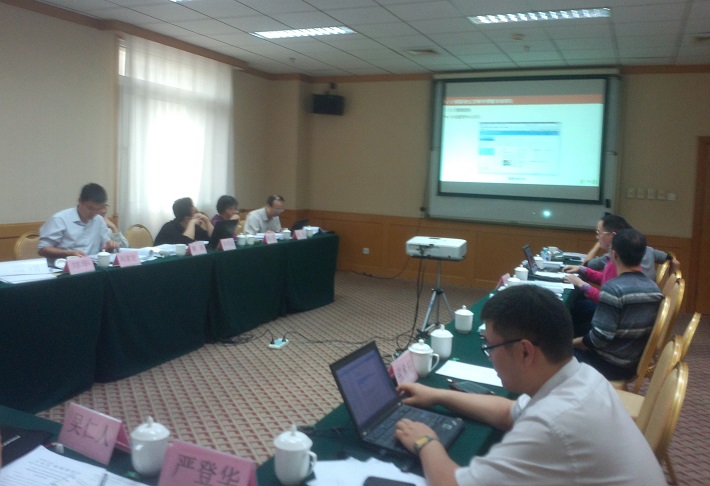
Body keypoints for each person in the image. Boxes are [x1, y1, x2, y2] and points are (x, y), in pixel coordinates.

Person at [394, 285, 666, 485]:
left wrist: (426, 442)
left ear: (525, 351)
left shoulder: (553, 423)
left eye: (490, 347)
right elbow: (507, 412)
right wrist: (437, 395)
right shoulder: (583, 377)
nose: (490, 357)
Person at [574, 228, 663, 380]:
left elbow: (598, 340)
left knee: (551, 355)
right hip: (631, 363)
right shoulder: (654, 288)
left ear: (614, 255)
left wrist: (569, 343)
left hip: (609, 365)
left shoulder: (613, 289)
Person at [38, 183, 124, 260]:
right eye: (90, 208)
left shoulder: (99, 220)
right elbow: (42, 249)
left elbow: (103, 249)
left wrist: (109, 248)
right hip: (63, 267)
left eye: (98, 209)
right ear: (80, 201)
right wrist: (68, 253)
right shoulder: (60, 219)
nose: (94, 213)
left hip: (92, 266)